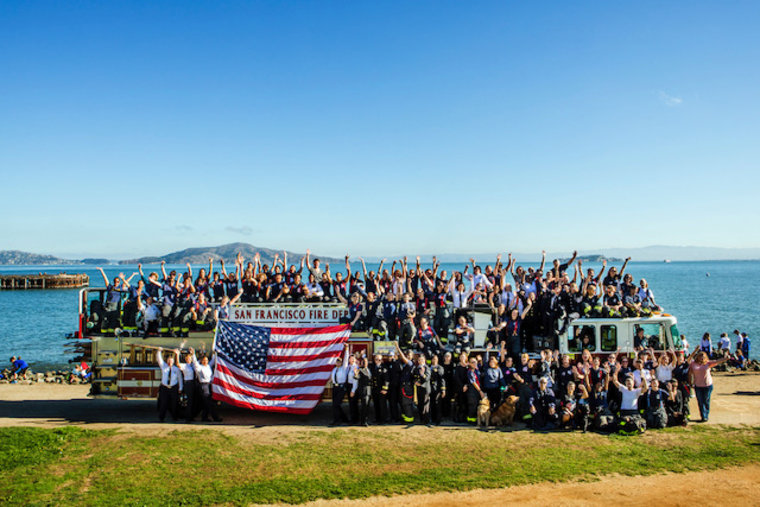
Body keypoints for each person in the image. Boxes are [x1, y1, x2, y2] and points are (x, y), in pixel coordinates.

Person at [689, 349, 729, 422]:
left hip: (707, 385)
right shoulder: (693, 364)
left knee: (706, 400)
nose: (702, 358)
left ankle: (705, 416)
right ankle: (703, 416)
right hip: (698, 385)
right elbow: (690, 373)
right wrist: (691, 382)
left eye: (703, 357)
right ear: (697, 357)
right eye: (700, 357)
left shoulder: (708, 363)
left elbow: (717, 361)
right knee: (700, 401)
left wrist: (726, 358)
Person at [189, 348, 222, 422]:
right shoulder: (199, 368)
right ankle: (215, 418)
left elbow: (213, 361)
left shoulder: (208, 366)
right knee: (209, 403)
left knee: (205, 403)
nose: (205, 361)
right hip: (203, 386)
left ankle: (204, 417)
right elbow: (195, 363)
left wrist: (215, 352)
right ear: (201, 361)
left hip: (209, 385)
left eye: (206, 360)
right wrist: (193, 354)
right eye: (204, 360)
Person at [156, 347, 183, 422]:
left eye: (171, 361)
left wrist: (180, 388)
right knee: (163, 403)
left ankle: (175, 417)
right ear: (167, 361)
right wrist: (159, 351)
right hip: (164, 388)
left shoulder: (176, 369)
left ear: (173, 362)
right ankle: (161, 418)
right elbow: (159, 359)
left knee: (174, 404)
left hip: (173, 388)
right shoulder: (163, 366)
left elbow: (180, 379)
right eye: (168, 361)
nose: (170, 362)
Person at [329, 344, 352, 426]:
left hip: (342, 387)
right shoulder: (334, 369)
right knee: (335, 404)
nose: (338, 363)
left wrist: (346, 349)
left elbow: (346, 358)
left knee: (336, 404)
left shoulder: (344, 368)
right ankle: (344, 418)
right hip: (335, 387)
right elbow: (332, 378)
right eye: (337, 361)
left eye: (339, 361)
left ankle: (337, 420)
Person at [176, 349, 198, 422]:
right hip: (188, 383)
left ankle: (191, 416)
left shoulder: (192, 365)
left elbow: (196, 363)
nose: (189, 360)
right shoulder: (184, 366)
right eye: (187, 359)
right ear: (185, 360)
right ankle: (187, 418)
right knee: (189, 401)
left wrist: (193, 353)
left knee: (193, 401)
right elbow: (178, 364)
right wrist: (177, 355)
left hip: (193, 383)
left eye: (190, 358)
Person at [369, 354, 389, 424]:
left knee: (382, 405)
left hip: (381, 389)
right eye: (376, 359)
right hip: (374, 389)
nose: (377, 361)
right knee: (376, 404)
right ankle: (377, 418)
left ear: (382, 360)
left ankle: (383, 419)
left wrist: (385, 389)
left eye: (379, 359)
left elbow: (386, 379)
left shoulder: (384, 368)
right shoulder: (372, 367)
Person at [354, 357, 372, 426]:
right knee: (364, 406)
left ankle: (366, 420)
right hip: (363, 391)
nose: (365, 363)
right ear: (361, 363)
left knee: (367, 406)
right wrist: (355, 374)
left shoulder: (369, 369)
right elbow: (357, 377)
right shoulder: (360, 370)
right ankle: (363, 421)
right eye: (363, 362)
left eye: (366, 362)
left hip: (369, 390)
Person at [429, 354, 446, 425]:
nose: (434, 360)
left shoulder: (440, 368)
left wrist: (443, 390)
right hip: (429, 388)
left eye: (436, 359)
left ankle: (438, 420)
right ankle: (432, 418)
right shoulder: (428, 367)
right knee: (431, 404)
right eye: (433, 359)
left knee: (437, 404)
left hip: (437, 389)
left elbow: (442, 379)